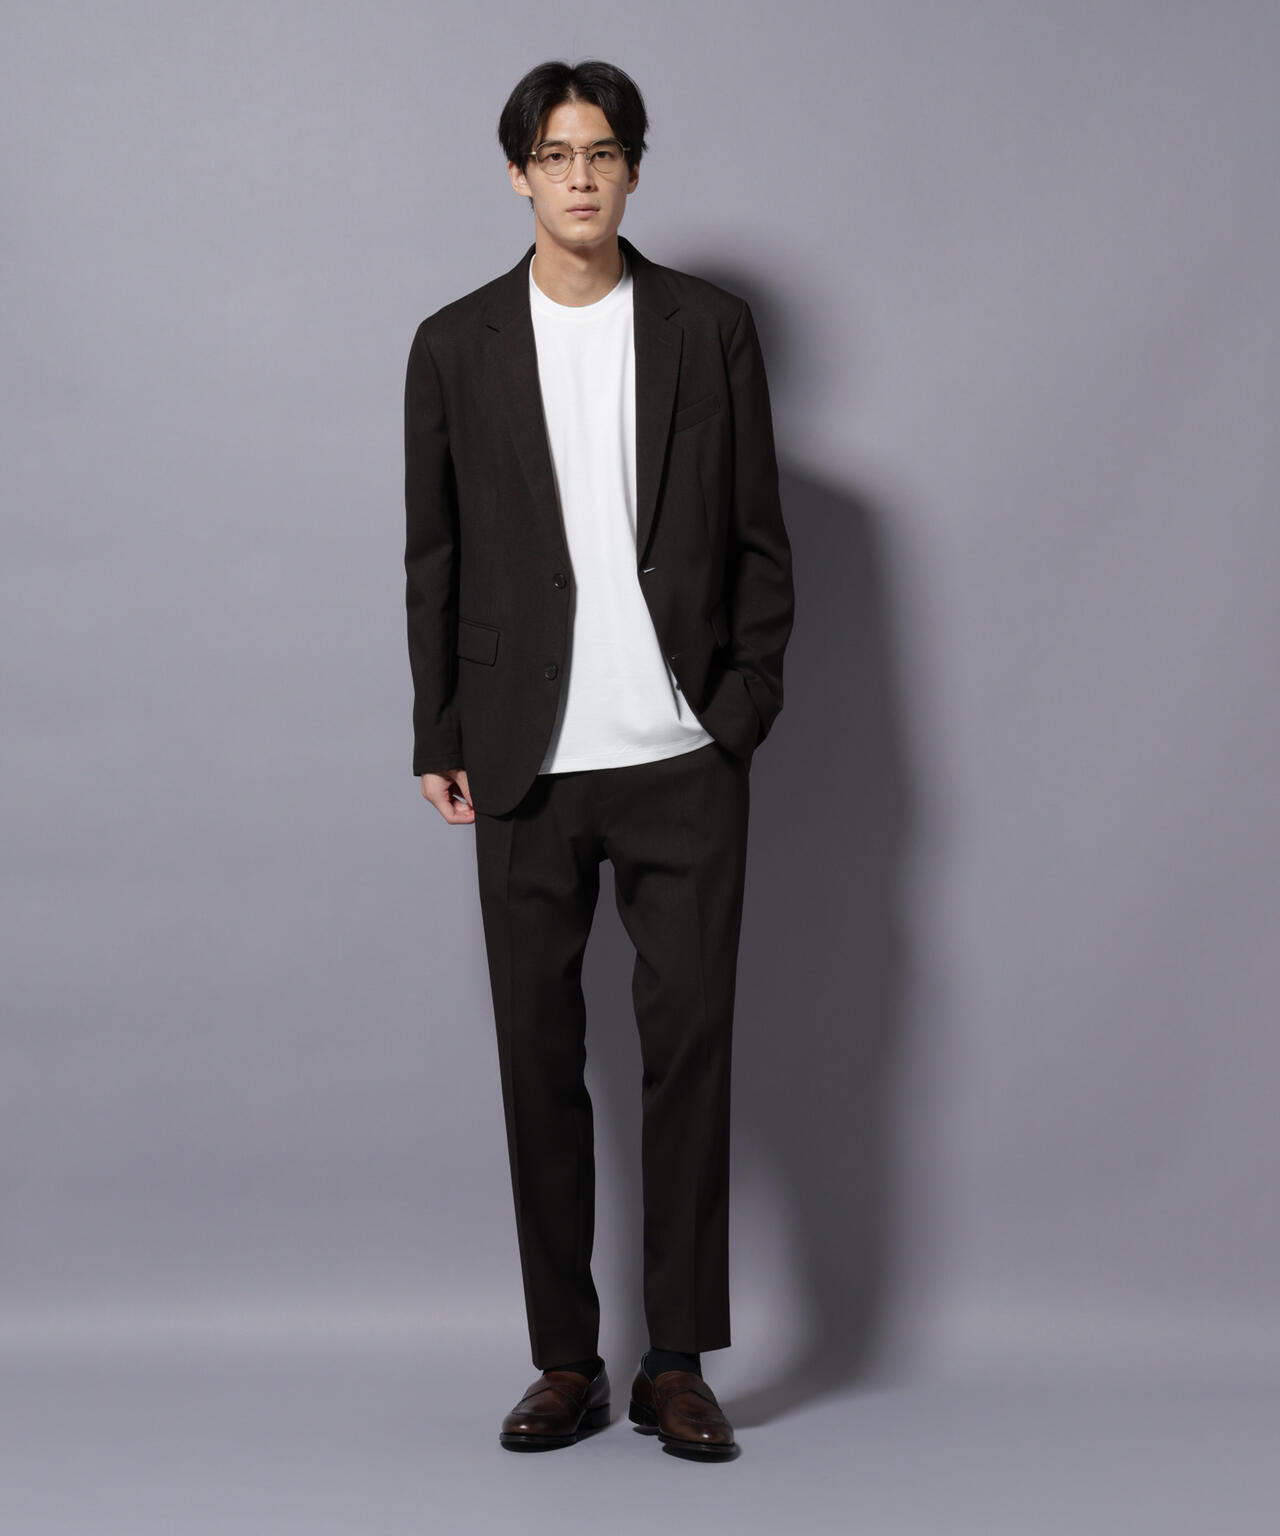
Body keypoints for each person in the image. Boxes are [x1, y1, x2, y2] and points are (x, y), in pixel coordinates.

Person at [403, 58, 794, 1456]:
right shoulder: (452, 344)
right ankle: (565, 1360)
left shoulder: (711, 328)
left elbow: (759, 537)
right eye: (556, 155)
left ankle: (675, 1362)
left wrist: (740, 707)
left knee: (691, 1055)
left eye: (604, 152)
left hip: (683, 754)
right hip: (527, 761)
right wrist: (437, 732)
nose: (581, 176)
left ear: (633, 169)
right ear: (518, 174)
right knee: (537, 1060)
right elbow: (434, 555)